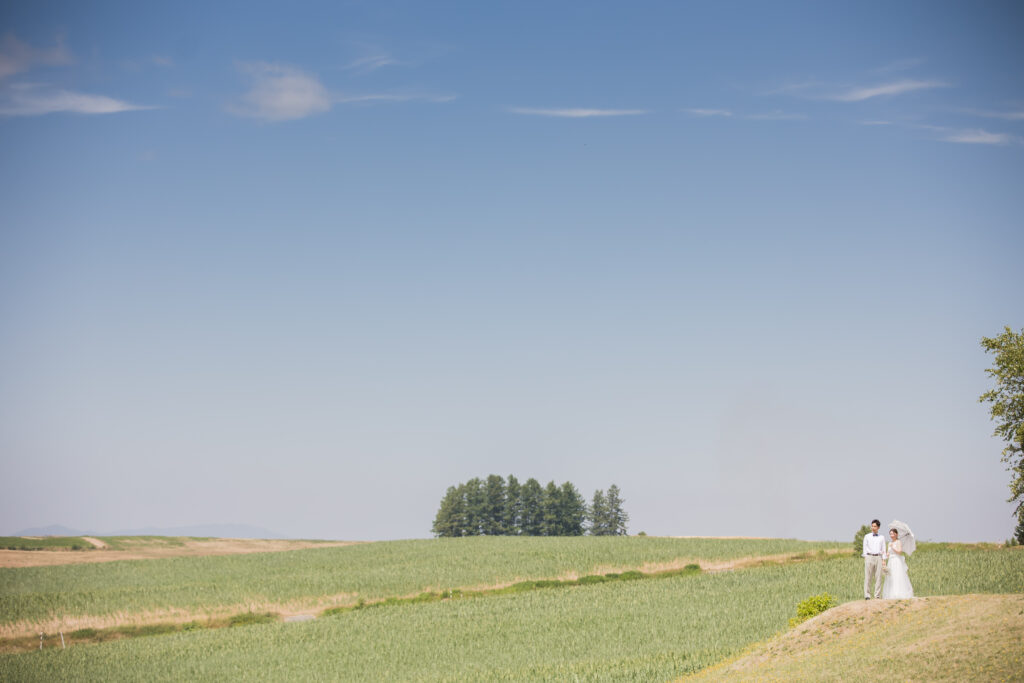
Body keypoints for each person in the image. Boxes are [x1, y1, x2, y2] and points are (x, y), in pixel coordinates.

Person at [882, 528, 914, 599]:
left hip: (896, 560)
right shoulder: (889, 543)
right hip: (891, 561)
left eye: (893, 533)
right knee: (891, 576)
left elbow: (899, 551)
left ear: (896, 534)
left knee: (897, 576)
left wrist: (893, 547)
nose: (891, 535)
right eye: (890, 534)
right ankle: (891, 593)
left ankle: (898, 593)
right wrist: (884, 557)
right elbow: (888, 553)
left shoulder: (898, 542)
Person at [862, 519, 885, 599]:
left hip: (878, 557)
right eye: (872, 526)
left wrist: (883, 560)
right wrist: (865, 557)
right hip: (869, 556)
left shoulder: (882, 537)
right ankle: (867, 595)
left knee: (878, 577)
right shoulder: (867, 536)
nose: (873, 527)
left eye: (875, 526)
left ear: (878, 527)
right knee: (868, 577)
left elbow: (883, 549)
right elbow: (864, 548)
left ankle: (877, 595)